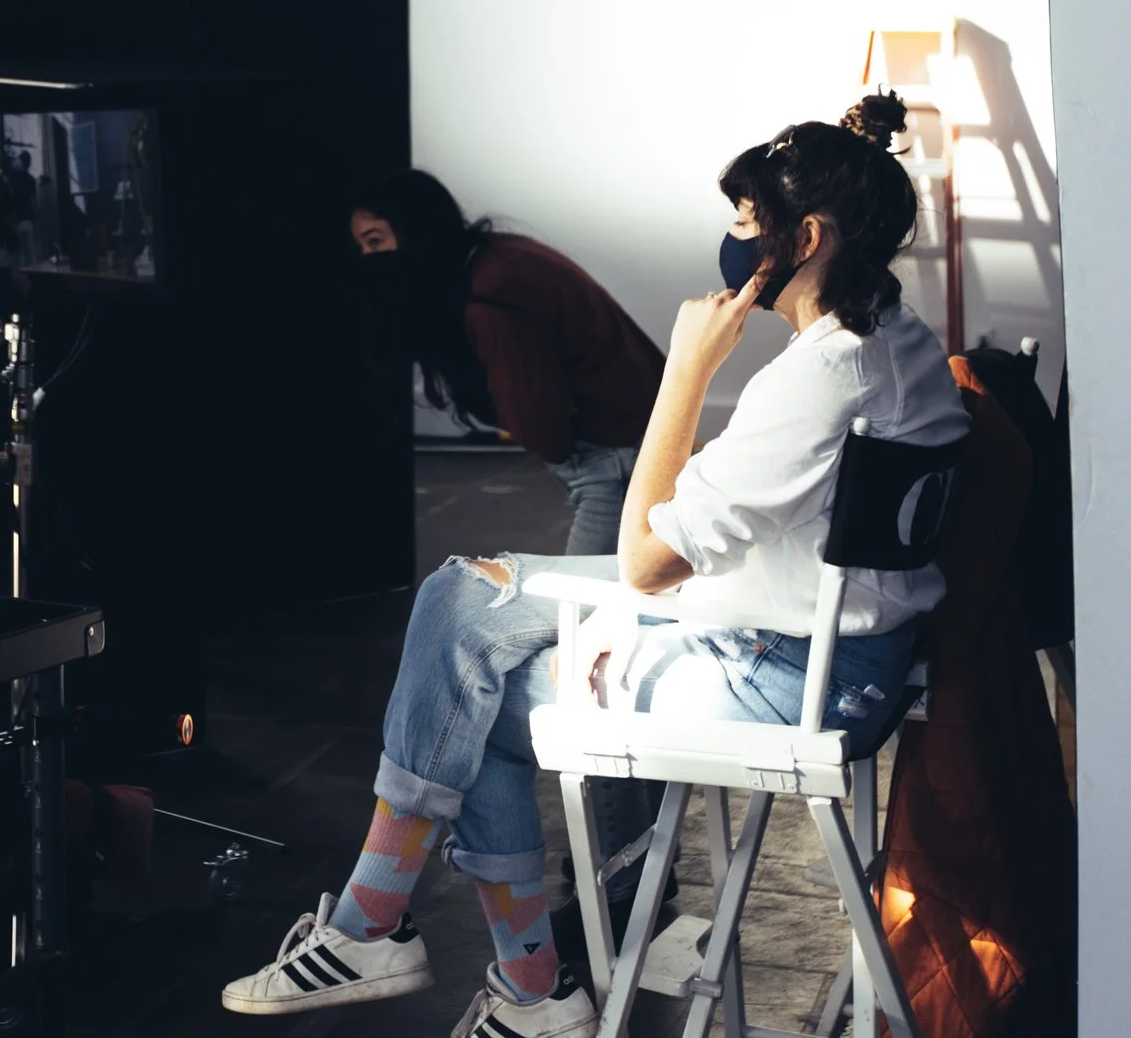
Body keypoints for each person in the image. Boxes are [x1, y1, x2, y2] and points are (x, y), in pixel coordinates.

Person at [227, 97, 963, 1037]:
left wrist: (687, 369)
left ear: (807, 238)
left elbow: (647, 560)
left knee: (470, 703)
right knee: (458, 595)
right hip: (804, 642)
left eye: (747, 220)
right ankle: (446, 956)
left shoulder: (820, 375)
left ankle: (470, 963)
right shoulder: (895, 342)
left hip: (785, 678)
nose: (733, 240)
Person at [353, 170, 665, 555]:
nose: (368, 259)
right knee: (618, 574)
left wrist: (554, 446)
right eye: (362, 247)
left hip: (610, 446)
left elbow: (532, 407)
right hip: (629, 427)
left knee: (587, 586)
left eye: (375, 241)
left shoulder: (493, 296)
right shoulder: (499, 255)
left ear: (416, 228)